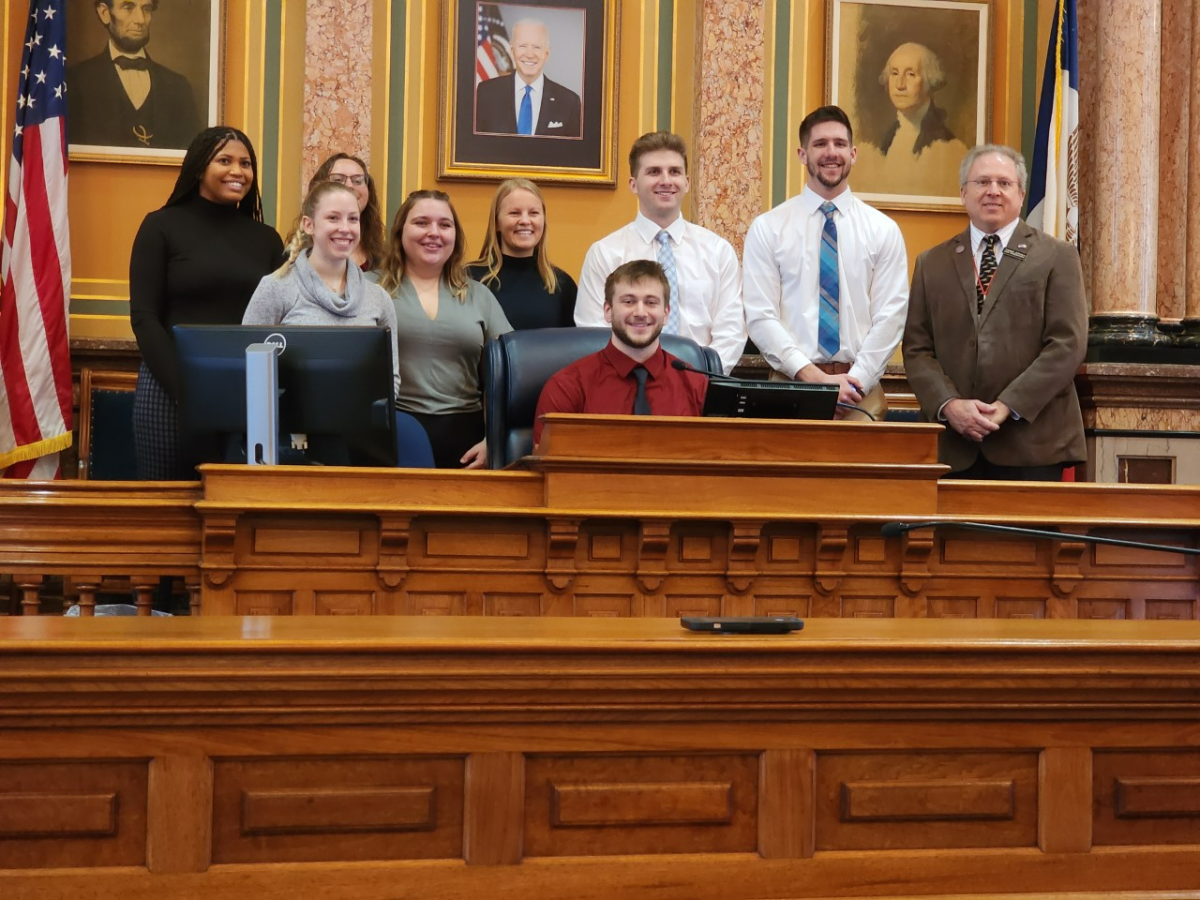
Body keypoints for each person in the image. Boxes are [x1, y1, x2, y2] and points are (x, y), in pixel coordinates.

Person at [902, 144, 1088, 480]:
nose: (993, 191)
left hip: (1032, 445)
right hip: (951, 446)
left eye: (1004, 183)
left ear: (1021, 194)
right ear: (963, 193)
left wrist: (1007, 406)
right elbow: (917, 349)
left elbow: (1067, 344)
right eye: (982, 182)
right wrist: (949, 405)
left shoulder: (1057, 256)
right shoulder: (931, 263)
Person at [129, 126, 284, 479]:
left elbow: (279, 320)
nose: (237, 171)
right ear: (200, 167)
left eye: (246, 163)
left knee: (237, 502)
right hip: (170, 387)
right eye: (224, 161)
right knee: (166, 502)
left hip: (245, 391)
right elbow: (144, 317)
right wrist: (187, 390)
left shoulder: (267, 240)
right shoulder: (160, 226)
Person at [742, 105, 908, 420]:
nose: (831, 152)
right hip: (790, 385)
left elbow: (891, 317)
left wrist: (855, 382)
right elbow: (760, 316)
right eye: (820, 144)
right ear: (802, 154)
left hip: (860, 392)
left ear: (853, 154)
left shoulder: (883, 230)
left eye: (839, 144)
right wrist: (814, 378)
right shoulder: (768, 228)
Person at [575, 132, 745, 374]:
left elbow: (731, 333)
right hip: (624, 383)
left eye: (674, 172)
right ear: (633, 184)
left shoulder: (718, 252)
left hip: (702, 383)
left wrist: (699, 380)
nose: (666, 181)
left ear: (687, 182)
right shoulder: (604, 253)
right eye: (654, 172)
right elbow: (592, 331)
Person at [378, 190, 512, 469]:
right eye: (421, 223)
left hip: (469, 443)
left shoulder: (479, 295)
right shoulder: (372, 289)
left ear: (455, 235)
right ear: (400, 231)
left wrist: (494, 439)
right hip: (393, 433)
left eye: (444, 224)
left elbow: (509, 374)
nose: (434, 232)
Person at [242, 181, 399, 397]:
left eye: (353, 219)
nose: (345, 228)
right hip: (288, 418)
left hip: (358, 417)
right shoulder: (275, 287)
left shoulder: (379, 298)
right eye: (333, 218)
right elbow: (246, 367)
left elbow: (390, 378)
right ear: (309, 225)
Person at [534, 260, 707, 448]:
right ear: (608, 311)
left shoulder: (696, 386)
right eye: (628, 302)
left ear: (666, 314)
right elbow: (547, 462)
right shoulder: (567, 387)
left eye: (651, 302)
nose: (640, 312)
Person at [67, 0, 202, 150]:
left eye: (146, 9)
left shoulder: (178, 86)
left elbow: (194, 155)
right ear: (105, 13)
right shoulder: (75, 82)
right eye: (128, 8)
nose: (140, 20)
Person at [466, 178, 577, 330]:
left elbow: (575, 341)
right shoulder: (469, 279)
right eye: (514, 213)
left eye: (534, 213)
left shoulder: (562, 284)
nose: (525, 221)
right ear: (497, 223)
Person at [474, 19, 582, 138]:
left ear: (547, 54)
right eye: (523, 46)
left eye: (537, 47)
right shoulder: (486, 93)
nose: (530, 54)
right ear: (512, 51)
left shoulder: (569, 102)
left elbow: (574, 149)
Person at [302, 152, 387, 271]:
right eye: (338, 180)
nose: (349, 186)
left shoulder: (385, 257)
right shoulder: (296, 258)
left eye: (357, 181)